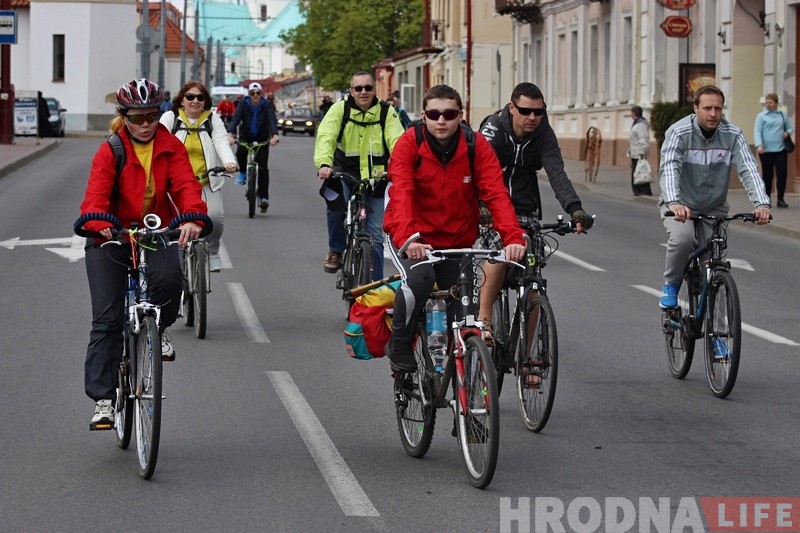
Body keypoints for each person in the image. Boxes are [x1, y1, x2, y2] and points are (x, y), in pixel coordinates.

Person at [79, 78, 208, 428]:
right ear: (124, 117)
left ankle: (158, 327)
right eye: (137, 118)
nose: (146, 123)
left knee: (169, 279)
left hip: (154, 231)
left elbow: (185, 185)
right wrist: (96, 220)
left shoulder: (171, 146)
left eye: (152, 115)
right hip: (112, 234)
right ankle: (104, 400)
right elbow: (96, 192)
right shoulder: (111, 149)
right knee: (107, 320)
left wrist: (194, 216)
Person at [384, 84, 526, 372]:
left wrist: (513, 237)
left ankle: (456, 381)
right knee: (420, 281)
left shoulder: (475, 146)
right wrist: (410, 240)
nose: (441, 120)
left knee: (460, 311)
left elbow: (496, 194)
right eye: (434, 113)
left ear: (460, 115)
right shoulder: (409, 143)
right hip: (412, 236)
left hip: (456, 240)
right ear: (424, 116)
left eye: (448, 114)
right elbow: (401, 194)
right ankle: (399, 343)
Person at [477, 82, 593, 343]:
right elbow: (479, 171)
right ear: (512, 108)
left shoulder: (543, 133)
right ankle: (484, 320)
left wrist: (575, 209)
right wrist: (481, 206)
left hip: (526, 209)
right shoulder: (493, 129)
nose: (532, 117)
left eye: (538, 112)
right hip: (492, 209)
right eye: (526, 111)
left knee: (533, 278)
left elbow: (556, 173)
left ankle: (529, 357)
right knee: (500, 252)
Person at [658, 85, 771, 308]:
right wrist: (674, 201)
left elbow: (748, 169)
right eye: (707, 108)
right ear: (695, 108)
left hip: (713, 208)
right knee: (683, 240)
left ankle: (716, 332)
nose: (713, 114)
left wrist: (761, 204)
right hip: (681, 206)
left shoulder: (732, 134)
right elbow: (669, 168)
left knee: (712, 268)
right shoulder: (679, 133)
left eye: (718, 109)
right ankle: (671, 285)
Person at [314, 71, 405, 279]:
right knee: (336, 206)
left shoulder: (386, 112)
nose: (363, 92)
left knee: (375, 237)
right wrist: (325, 163)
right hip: (343, 172)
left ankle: (375, 290)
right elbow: (326, 136)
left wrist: (402, 169)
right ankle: (336, 249)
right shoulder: (340, 110)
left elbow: (399, 142)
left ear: (374, 89)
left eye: (368, 88)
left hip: (376, 177)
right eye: (358, 88)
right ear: (351, 91)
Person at [159, 80, 238, 272]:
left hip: (206, 180)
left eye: (200, 97)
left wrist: (229, 162)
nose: (195, 101)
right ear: (182, 100)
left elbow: (220, 142)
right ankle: (170, 254)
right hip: (176, 182)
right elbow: (159, 142)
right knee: (171, 222)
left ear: (205, 101)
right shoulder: (171, 118)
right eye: (190, 97)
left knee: (215, 217)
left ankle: (212, 252)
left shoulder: (212, 119)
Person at [227, 82, 280, 213]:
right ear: (249, 94)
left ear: (261, 93)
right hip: (246, 136)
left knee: (262, 168)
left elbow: (272, 120)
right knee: (240, 151)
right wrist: (231, 134)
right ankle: (244, 173)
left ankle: (263, 198)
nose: (255, 96)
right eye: (252, 93)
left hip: (262, 137)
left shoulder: (267, 105)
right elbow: (236, 119)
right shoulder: (243, 104)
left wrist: (274, 136)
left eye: (258, 93)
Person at [754, 92, 793, 208]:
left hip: (780, 149)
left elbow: (790, 127)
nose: (768, 104)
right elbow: (757, 131)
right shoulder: (761, 116)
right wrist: (759, 145)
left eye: (770, 102)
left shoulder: (782, 115)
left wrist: (787, 132)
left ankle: (780, 199)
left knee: (782, 173)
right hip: (765, 151)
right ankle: (767, 199)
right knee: (767, 175)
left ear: (776, 103)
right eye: (766, 102)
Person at [628, 105, 653, 196]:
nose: (631, 114)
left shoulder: (641, 124)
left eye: (632, 112)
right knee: (637, 172)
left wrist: (643, 150)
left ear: (634, 113)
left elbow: (643, 138)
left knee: (641, 171)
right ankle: (638, 190)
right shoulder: (636, 123)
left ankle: (644, 190)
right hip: (634, 152)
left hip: (639, 152)